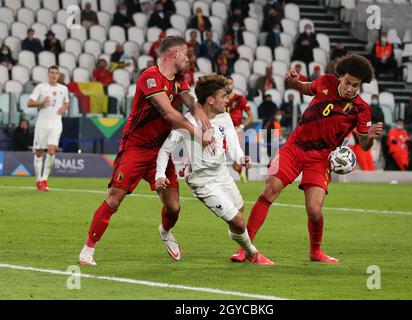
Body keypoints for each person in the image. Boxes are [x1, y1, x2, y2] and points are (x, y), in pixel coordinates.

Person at [230, 54, 383, 264]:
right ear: (340, 77)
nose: (350, 88)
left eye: (355, 85)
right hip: (294, 147)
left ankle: (316, 252)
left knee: (314, 210)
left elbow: (364, 144)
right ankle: (245, 250)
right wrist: (294, 82)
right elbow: (305, 88)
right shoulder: (325, 82)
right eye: (347, 82)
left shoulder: (362, 109)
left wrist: (370, 138)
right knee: (269, 190)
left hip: (321, 158)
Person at [78, 36, 212, 266]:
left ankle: (165, 232)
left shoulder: (179, 79)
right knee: (114, 200)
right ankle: (87, 250)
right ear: (174, 54)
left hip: (160, 151)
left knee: (174, 207)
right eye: (186, 54)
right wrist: (197, 133)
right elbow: (168, 113)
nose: (189, 58)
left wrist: (198, 109)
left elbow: (189, 99)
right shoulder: (150, 77)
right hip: (136, 147)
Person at [155, 74, 273, 265]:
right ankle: (253, 254)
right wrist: (160, 175)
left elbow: (233, 145)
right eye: (224, 96)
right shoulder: (187, 122)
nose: (227, 100)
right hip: (202, 181)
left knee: (239, 211)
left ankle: (238, 232)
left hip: (222, 174)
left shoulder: (225, 117)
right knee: (238, 222)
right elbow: (165, 149)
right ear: (211, 100)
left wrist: (241, 158)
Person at [27, 66, 70, 192]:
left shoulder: (64, 89)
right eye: (52, 73)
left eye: (56, 73)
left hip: (56, 123)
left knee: (51, 151)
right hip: (42, 124)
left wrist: (64, 108)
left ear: (59, 75)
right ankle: (38, 180)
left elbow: (66, 102)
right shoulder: (41, 87)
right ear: (48, 74)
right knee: (39, 152)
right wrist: (41, 102)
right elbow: (29, 103)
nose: (54, 75)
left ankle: (44, 180)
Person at [225, 77, 254, 183]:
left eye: (230, 83)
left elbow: (251, 116)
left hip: (236, 131)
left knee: (236, 159)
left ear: (233, 85)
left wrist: (241, 126)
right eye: (226, 83)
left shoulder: (240, 99)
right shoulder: (220, 99)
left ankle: (241, 173)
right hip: (222, 131)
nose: (228, 85)